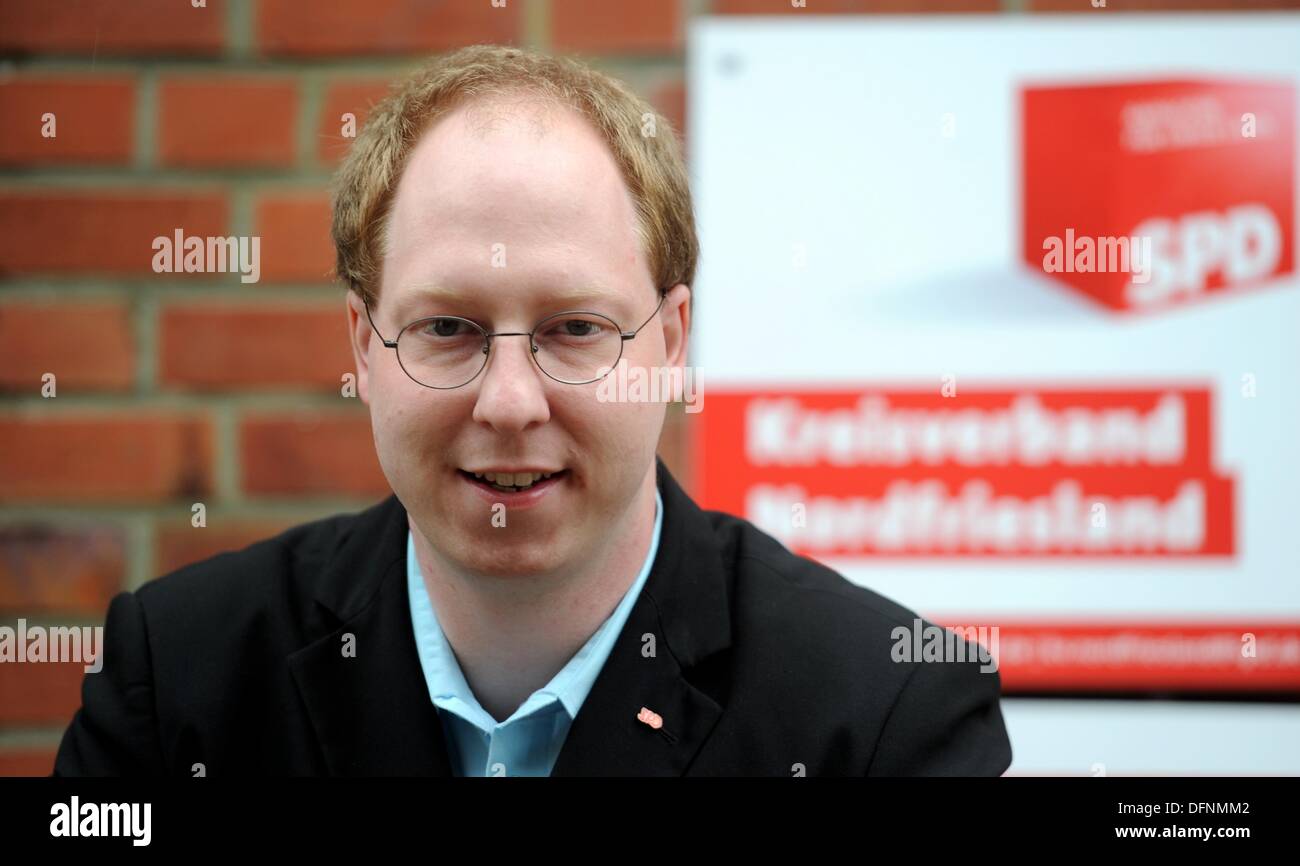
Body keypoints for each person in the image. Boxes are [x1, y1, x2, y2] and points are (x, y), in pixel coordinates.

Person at [54, 44, 1011, 777]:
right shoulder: (174, 683)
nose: (510, 403)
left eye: (575, 328)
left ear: (671, 346)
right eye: (449, 328)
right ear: (363, 346)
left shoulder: (885, 722)